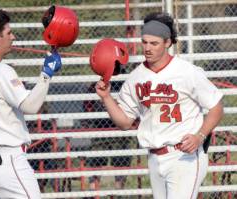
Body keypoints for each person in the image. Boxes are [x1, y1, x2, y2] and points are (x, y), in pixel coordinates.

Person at [92, 12, 224, 199]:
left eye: (154, 43)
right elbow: (124, 122)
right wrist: (106, 97)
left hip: (183, 156)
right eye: (144, 42)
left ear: (168, 43)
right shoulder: (136, 77)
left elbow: (217, 107)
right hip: (154, 157)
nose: (148, 48)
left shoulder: (186, 72)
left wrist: (200, 136)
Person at [0, 8, 62, 199]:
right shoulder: (0, 70)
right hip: (8, 160)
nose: (13, 37)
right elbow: (31, 106)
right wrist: (46, 74)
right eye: (8, 32)